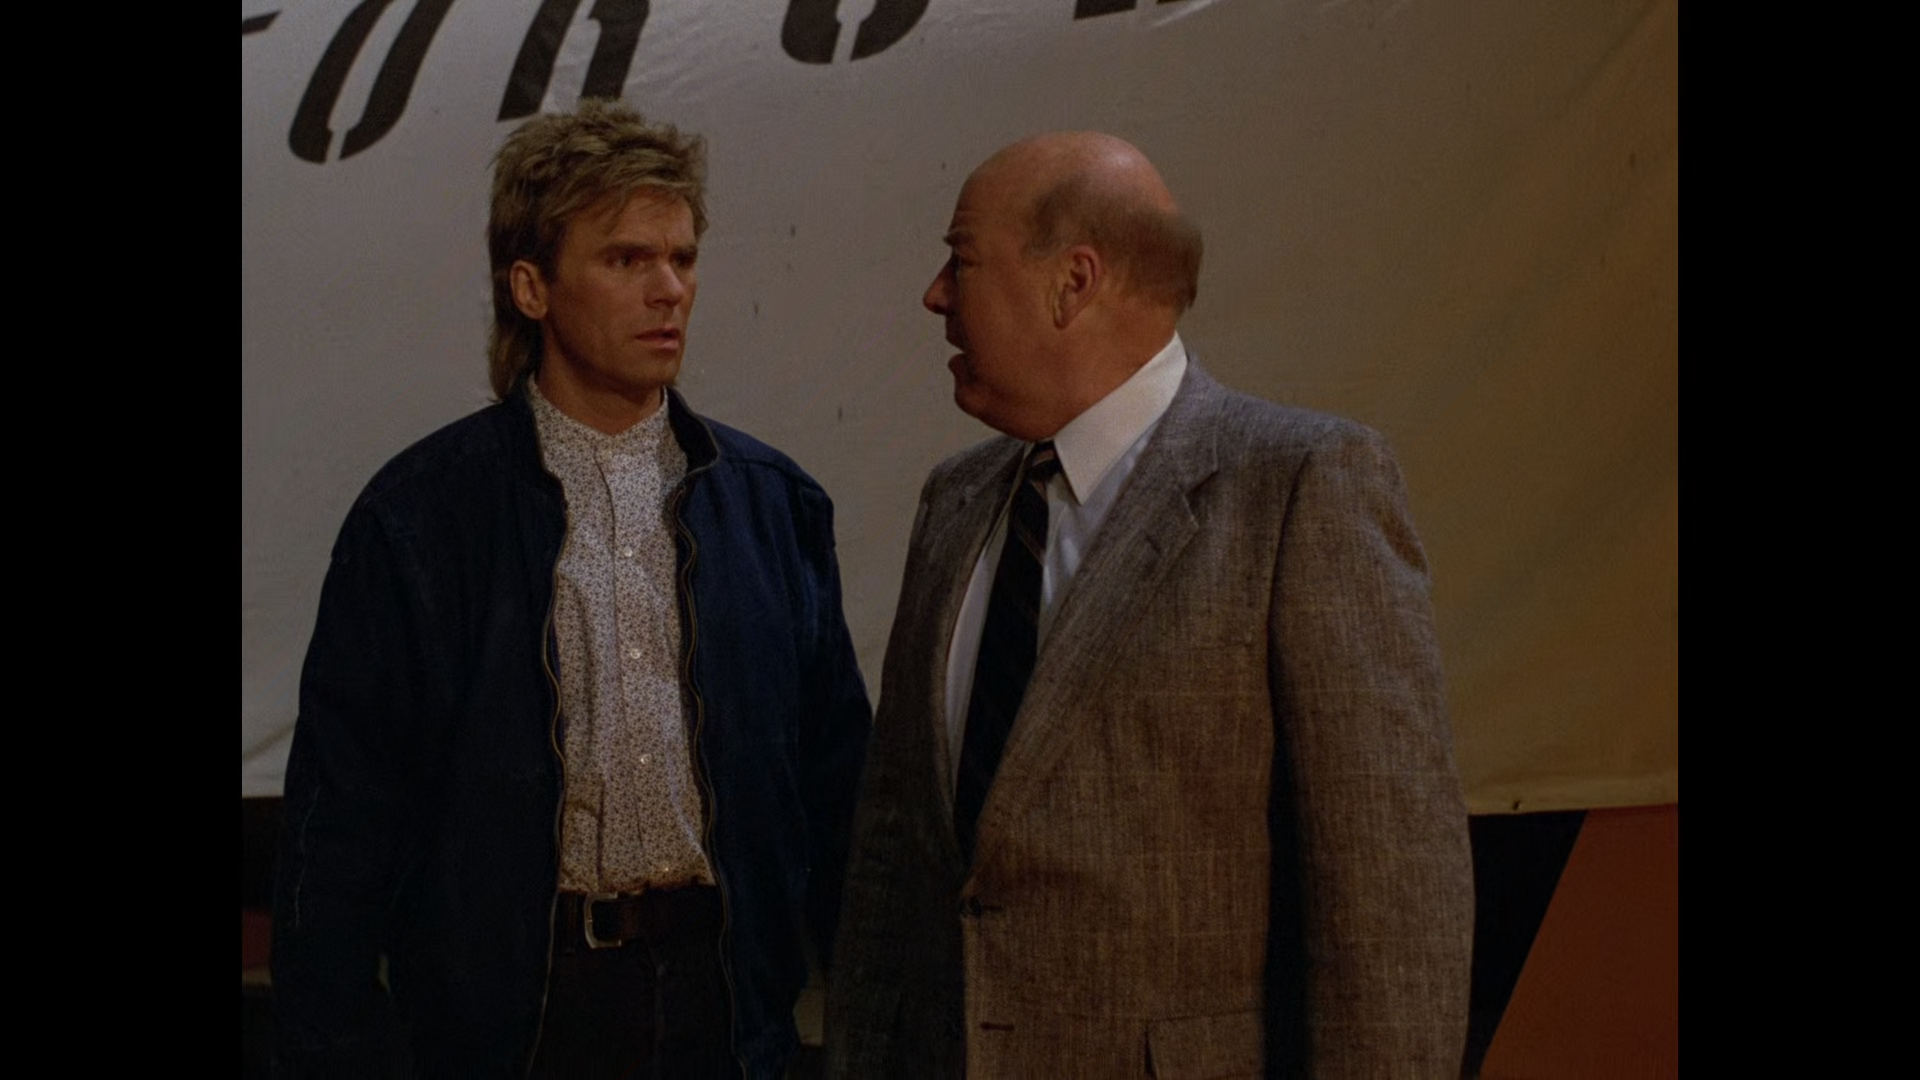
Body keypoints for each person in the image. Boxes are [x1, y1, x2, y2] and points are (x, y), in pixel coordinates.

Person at [826, 132, 1473, 1077]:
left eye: (961, 260)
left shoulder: (1300, 486)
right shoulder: (955, 502)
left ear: (1072, 282)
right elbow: (891, 855)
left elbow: (1390, 895)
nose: (935, 295)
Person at [272, 100, 871, 1079]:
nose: (668, 289)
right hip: (522, 1016)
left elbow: (839, 792)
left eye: (682, 258)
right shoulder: (421, 517)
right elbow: (341, 823)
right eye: (627, 259)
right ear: (532, 286)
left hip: (725, 1002)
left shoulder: (772, 504)